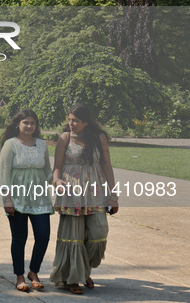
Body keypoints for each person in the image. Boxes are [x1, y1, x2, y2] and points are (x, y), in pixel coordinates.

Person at [49, 104, 119, 294]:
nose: (71, 124)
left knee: (98, 233)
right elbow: (57, 166)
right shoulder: (64, 138)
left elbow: (107, 166)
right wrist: (56, 180)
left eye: (75, 120)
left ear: (86, 122)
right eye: (69, 119)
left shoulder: (99, 138)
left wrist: (113, 195)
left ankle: (83, 270)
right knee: (73, 237)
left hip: (95, 190)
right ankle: (73, 278)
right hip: (71, 192)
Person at [0, 109, 52, 292]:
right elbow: (4, 173)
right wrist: (7, 199)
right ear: (17, 125)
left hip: (40, 197)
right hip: (17, 198)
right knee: (20, 238)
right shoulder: (10, 144)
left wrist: (58, 181)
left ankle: (34, 272)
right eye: (26, 123)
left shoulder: (42, 145)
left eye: (32, 123)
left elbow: (47, 171)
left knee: (43, 236)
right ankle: (20, 276)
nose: (29, 126)